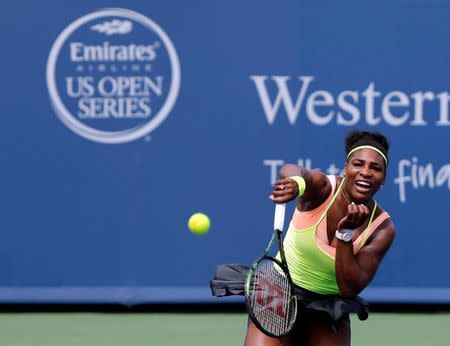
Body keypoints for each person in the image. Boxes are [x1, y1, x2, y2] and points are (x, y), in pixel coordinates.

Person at [243, 130, 396, 346]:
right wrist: (297, 184)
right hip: (281, 290)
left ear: (384, 178)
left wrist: (345, 235)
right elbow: (292, 170)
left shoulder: (382, 228)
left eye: (375, 168)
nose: (366, 172)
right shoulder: (323, 188)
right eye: (358, 164)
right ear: (345, 168)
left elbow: (350, 288)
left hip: (328, 307)